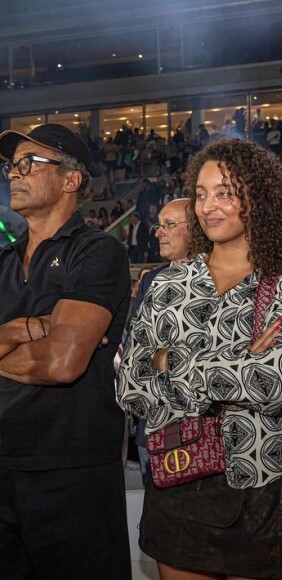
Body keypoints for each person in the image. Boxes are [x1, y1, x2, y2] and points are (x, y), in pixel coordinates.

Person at [117, 138, 282, 580]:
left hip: (262, 480)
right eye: (201, 193)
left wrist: (172, 362)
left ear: (258, 199)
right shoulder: (166, 285)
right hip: (179, 473)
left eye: (225, 193)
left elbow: (276, 385)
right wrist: (238, 363)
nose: (208, 206)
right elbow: (131, 388)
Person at [0, 123, 131, 579]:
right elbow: (54, 348)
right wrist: (37, 327)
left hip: (73, 475)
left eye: (28, 164)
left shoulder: (97, 251)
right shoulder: (2, 261)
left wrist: (10, 336)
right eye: (11, 166)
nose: (14, 174)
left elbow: (62, 362)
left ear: (70, 180)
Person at [131, 198, 192, 481]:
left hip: (202, 429)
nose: (158, 232)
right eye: (159, 225)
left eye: (169, 225)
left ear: (196, 231)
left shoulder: (221, 279)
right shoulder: (149, 281)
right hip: (153, 424)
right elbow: (136, 350)